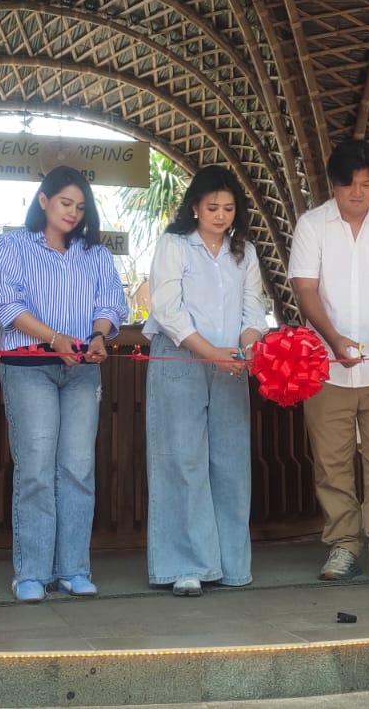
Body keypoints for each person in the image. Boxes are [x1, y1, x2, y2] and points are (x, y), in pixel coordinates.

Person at [0, 166, 127, 604]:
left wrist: (99, 336)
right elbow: (3, 303)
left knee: (78, 469)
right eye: (65, 203)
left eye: (81, 207)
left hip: (82, 370)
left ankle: (74, 569)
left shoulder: (95, 253)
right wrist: (53, 337)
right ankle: (31, 573)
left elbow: (111, 304)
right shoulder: (12, 246)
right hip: (29, 367)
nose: (73, 213)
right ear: (43, 201)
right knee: (36, 470)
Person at [287, 139, 369, 587]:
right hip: (326, 367)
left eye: (366, 184)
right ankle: (343, 544)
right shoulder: (312, 225)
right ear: (332, 185)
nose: (358, 193)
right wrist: (334, 339)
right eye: (349, 185)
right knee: (332, 463)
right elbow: (305, 289)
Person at [144, 166, 268, 596]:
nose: (220, 216)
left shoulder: (244, 252)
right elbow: (166, 308)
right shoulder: (174, 244)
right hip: (180, 355)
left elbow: (254, 309)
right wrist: (209, 351)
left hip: (231, 361)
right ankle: (186, 565)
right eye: (212, 207)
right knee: (182, 459)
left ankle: (231, 564)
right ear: (194, 206)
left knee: (231, 461)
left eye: (228, 208)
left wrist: (250, 344)